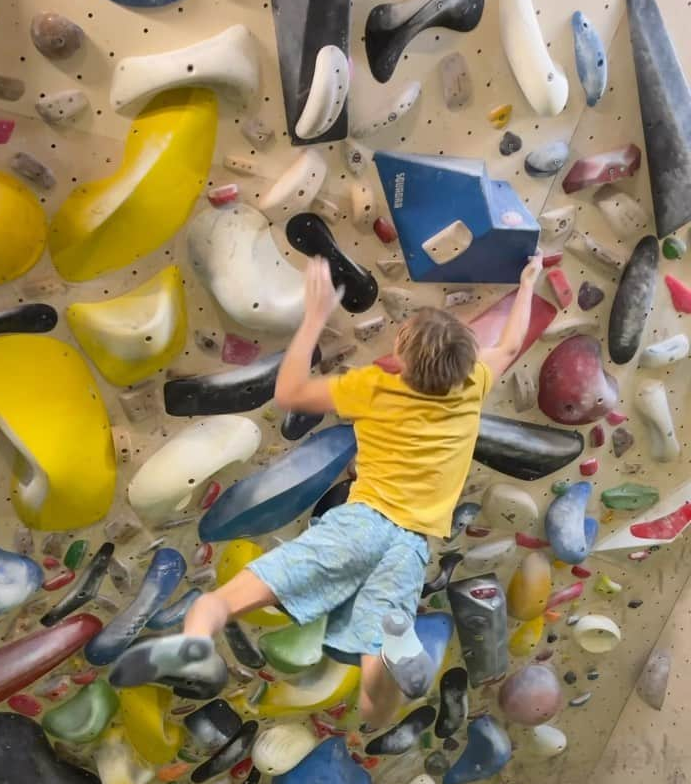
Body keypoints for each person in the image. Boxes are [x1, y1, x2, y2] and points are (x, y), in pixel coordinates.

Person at [184, 252, 543, 728]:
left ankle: (189, 652)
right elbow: (512, 343)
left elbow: (290, 392)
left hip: (361, 525)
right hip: (410, 547)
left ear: (403, 355)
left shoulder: (375, 387)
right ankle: (392, 653)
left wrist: (313, 319)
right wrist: (528, 280)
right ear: (462, 364)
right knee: (374, 707)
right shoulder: (472, 384)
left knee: (219, 602)